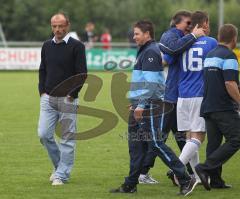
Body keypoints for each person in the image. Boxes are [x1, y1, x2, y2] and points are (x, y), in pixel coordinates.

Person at [110, 20, 197, 196]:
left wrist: (141, 104)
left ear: (147, 34)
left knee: (156, 144)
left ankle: (185, 178)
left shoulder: (150, 51)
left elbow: (151, 84)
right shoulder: (144, 50)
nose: (134, 37)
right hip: (140, 105)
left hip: (149, 107)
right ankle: (130, 184)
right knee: (135, 147)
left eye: (137, 34)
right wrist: (135, 101)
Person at [140, 10, 205, 185]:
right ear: (177, 23)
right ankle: (143, 172)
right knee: (160, 138)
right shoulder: (171, 36)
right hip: (170, 98)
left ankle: (193, 174)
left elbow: (169, 57)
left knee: (183, 138)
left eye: (192, 23)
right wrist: (192, 36)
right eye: (188, 23)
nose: (191, 26)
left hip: (180, 97)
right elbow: (169, 52)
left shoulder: (187, 39)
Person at [38, 12, 87, 185]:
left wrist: (71, 94)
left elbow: (81, 74)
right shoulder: (46, 45)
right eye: (54, 26)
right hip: (48, 98)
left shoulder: (77, 46)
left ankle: (61, 175)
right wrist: (42, 92)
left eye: (60, 26)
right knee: (44, 135)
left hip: (68, 99)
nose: (57, 29)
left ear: (67, 26)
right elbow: (43, 69)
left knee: (67, 139)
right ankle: (60, 167)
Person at [195, 24, 240, 191]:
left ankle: (216, 181)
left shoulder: (210, 55)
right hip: (223, 107)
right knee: (236, 139)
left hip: (208, 106)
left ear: (219, 37)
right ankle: (204, 168)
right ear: (234, 38)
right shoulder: (229, 56)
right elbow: (229, 83)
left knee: (214, 144)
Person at [175, 11, 217, 184]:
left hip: (182, 95)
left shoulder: (183, 42)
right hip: (199, 94)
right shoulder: (211, 42)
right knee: (199, 137)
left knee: (189, 137)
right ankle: (176, 169)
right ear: (205, 23)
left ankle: (197, 176)